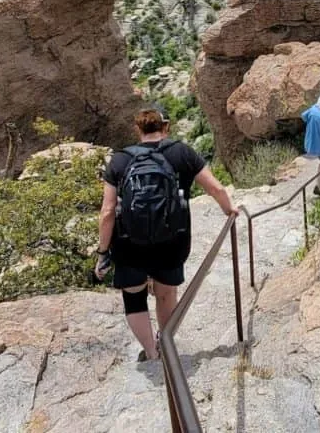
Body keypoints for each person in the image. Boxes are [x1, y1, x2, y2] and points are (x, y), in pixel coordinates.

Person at [94, 105, 237, 362]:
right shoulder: (182, 153)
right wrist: (230, 210)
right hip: (173, 240)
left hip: (129, 244)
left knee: (134, 297)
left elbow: (107, 212)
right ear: (166, 127)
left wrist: (103, 252)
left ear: (138, 129)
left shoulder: (120, 160)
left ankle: (151, 352)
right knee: (166, 293)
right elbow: (215, 189)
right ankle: (166, 341)